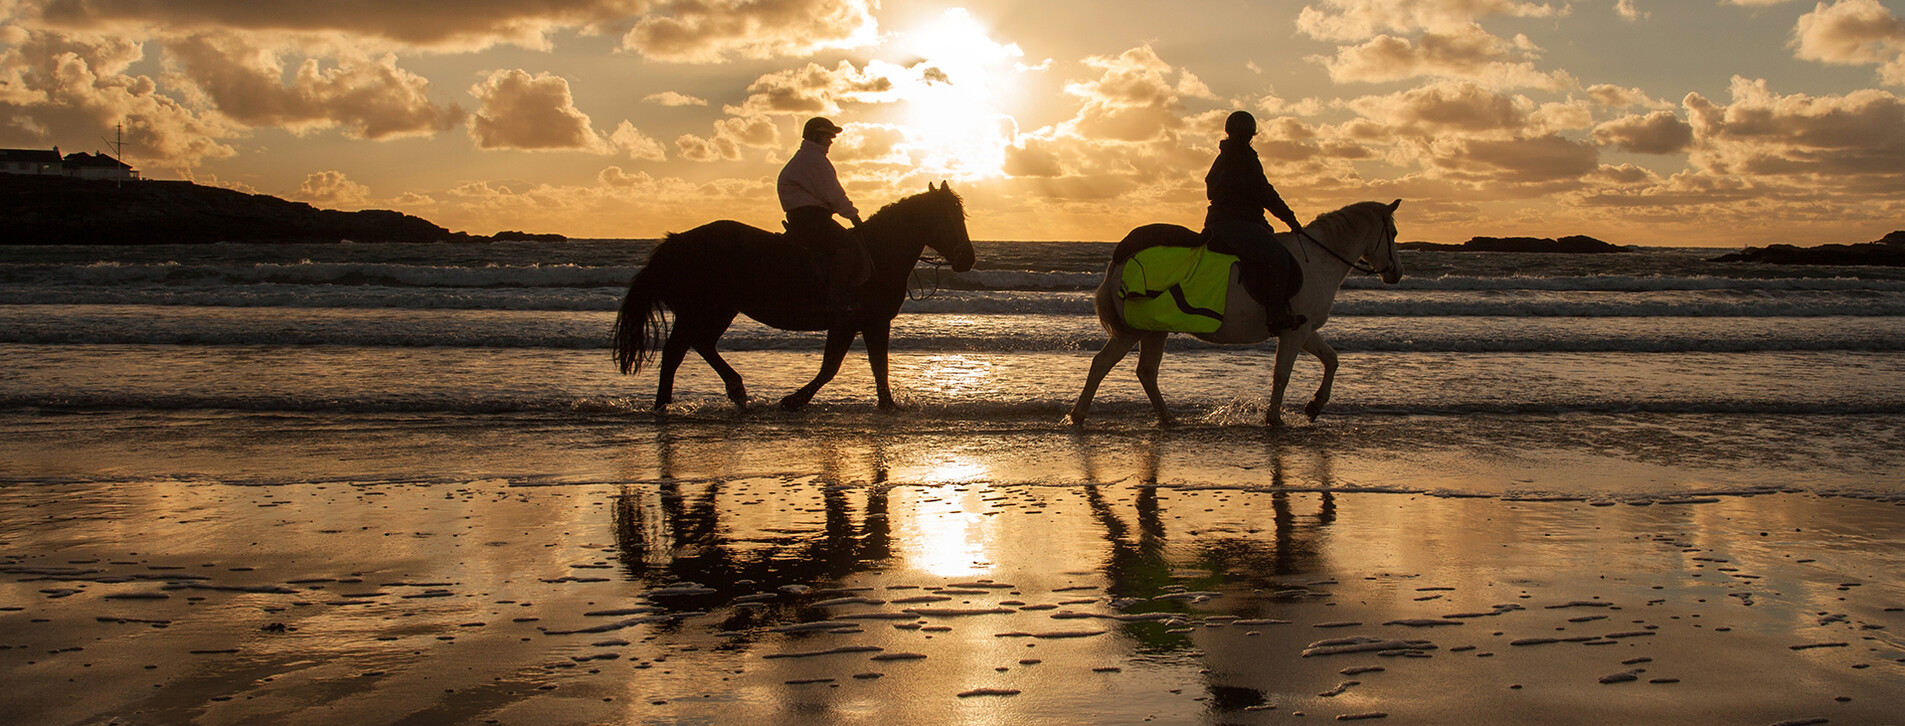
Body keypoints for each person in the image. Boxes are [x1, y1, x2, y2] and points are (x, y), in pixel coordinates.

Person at [1204, 110, 1306, 332]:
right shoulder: (1245, 157)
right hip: (1237, 224)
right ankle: (1276, 315)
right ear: (1251, 135)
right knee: (1278, 257)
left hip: (1217, 222)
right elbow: (1265, 193)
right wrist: (1290, 219)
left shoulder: (1223, 157)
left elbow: (1210, 189)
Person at [777, 116, 867, 316]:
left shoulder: (809, 158)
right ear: (817, 136)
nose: (831, 141)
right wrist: (854, 217)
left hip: (808, 216)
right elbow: (834, 194)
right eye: (828, 136)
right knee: (848, 246)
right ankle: (837, 299)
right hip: (812, 218)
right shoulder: (814, 161)